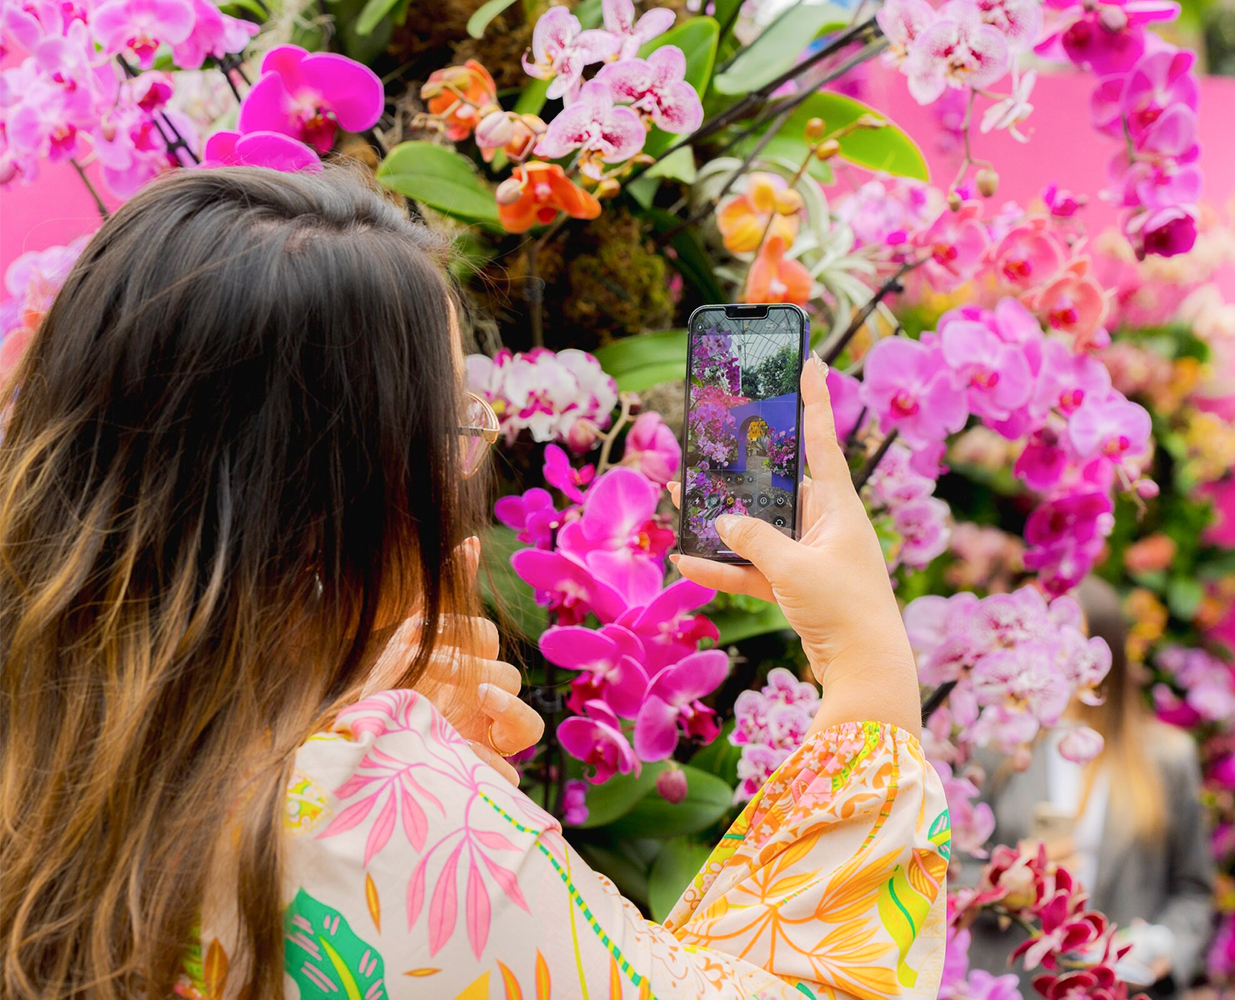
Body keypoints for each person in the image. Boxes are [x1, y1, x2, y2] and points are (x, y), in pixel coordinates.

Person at [0, 168, 947, 1000]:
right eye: (449, 422)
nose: (464, 466)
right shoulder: (381, 808)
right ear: (335, 484)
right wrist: (869, 672)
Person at [969, 577, 1215, 998]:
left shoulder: (1167, 758)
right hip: (1011, 985)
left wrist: (1164, 946)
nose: (1049, 655)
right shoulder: (996, 745)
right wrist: (1001, 882)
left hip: (1120, 987)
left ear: (1105, 652)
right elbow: (947, 873)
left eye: (1067, 640)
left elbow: (1193, 891)